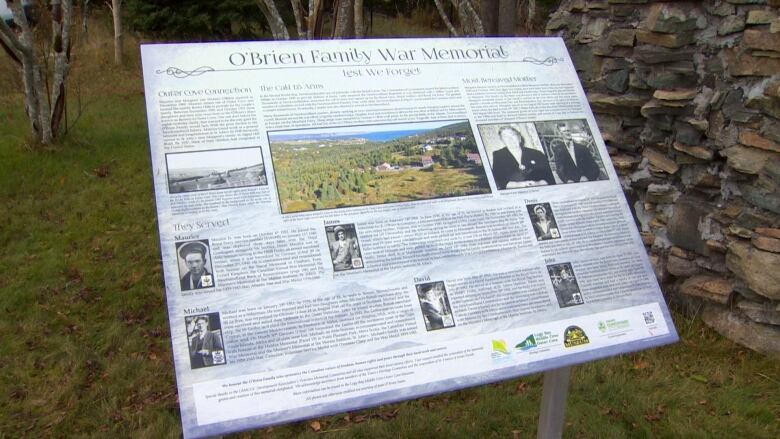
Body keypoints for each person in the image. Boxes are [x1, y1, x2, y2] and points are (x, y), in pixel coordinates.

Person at [490, 126, 555, 189]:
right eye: (505, 136)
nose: (510, 139)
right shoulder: (498, 155)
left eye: (512, 135)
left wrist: (537, 184)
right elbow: (498, 179)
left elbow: (549, 176)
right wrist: (518, 185)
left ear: (519, 138)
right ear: (502, 141)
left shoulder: (536, 153)